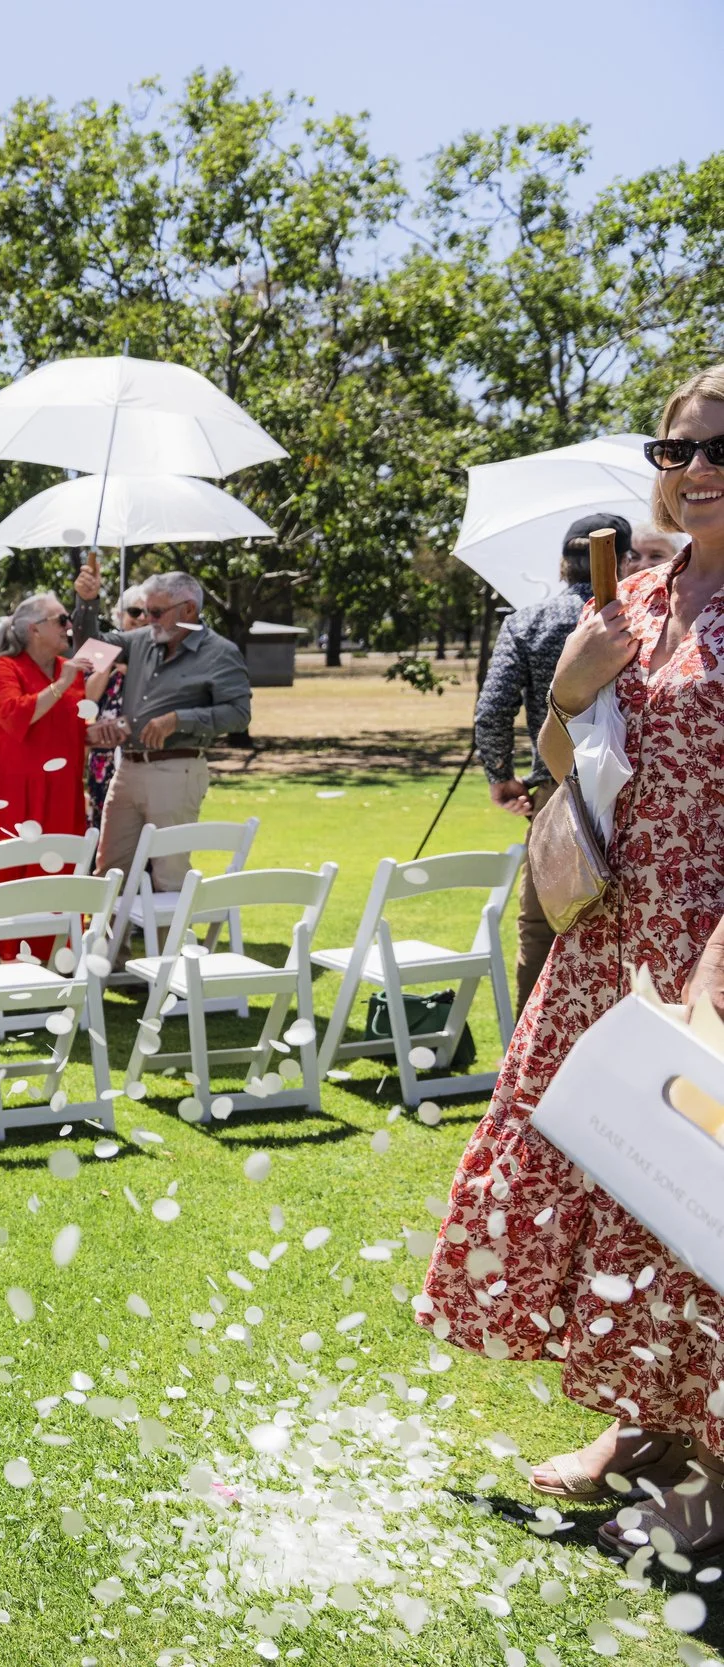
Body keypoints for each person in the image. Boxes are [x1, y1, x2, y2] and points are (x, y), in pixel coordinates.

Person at [424, 364, 724, 1551]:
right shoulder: (635, 596)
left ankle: (712, 1462)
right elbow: (567, 758)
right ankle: (637, 1426)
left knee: (703, 1205)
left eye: (720, 449)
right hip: (607, 938)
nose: (694, 470)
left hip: (705, 945)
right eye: (674, 449)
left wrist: (714, 970)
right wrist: (565, 686)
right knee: (613, 1183)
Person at [474, 514, 629, 1011]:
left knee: (542, 924)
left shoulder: (526, 621)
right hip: (639, 787)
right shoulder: (642, 620)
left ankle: (536, 1058)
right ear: (623, 560)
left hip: (556, 788)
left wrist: (502, 777)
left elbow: (492, 711)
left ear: (563, 564)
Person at [69, 567, 253, 897]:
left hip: (177, 770)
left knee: (169, 874)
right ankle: (110, 950)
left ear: (189, 610)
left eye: (156, 612)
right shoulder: (141, 642)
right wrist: (87, 603)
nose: (148, 620)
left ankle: (172, 948)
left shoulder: (220, 653)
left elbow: (239, 715)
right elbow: (89, 653)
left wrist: (179, 719)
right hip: (127, 769)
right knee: (109, 873)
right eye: (146, 611)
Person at [0, 593, 98, 955]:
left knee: (56, 876)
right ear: (34, 630)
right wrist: (61, 683)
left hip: (61, 795)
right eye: (61, 619)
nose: (68, 626)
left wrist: (99, 733)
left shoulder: (69, 669)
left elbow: (70, 728)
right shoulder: (7, 668)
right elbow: (15, 717)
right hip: (12, 795)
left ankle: (51, 956)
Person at [85, 586, 145, 826]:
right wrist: (109, 661)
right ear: (119, 615)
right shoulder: (98, 646)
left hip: (139, 755)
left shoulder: (158, 651)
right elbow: (86, 699)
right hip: (103, 756)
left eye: (148, 613)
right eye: (134, 611)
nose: (141, 618)